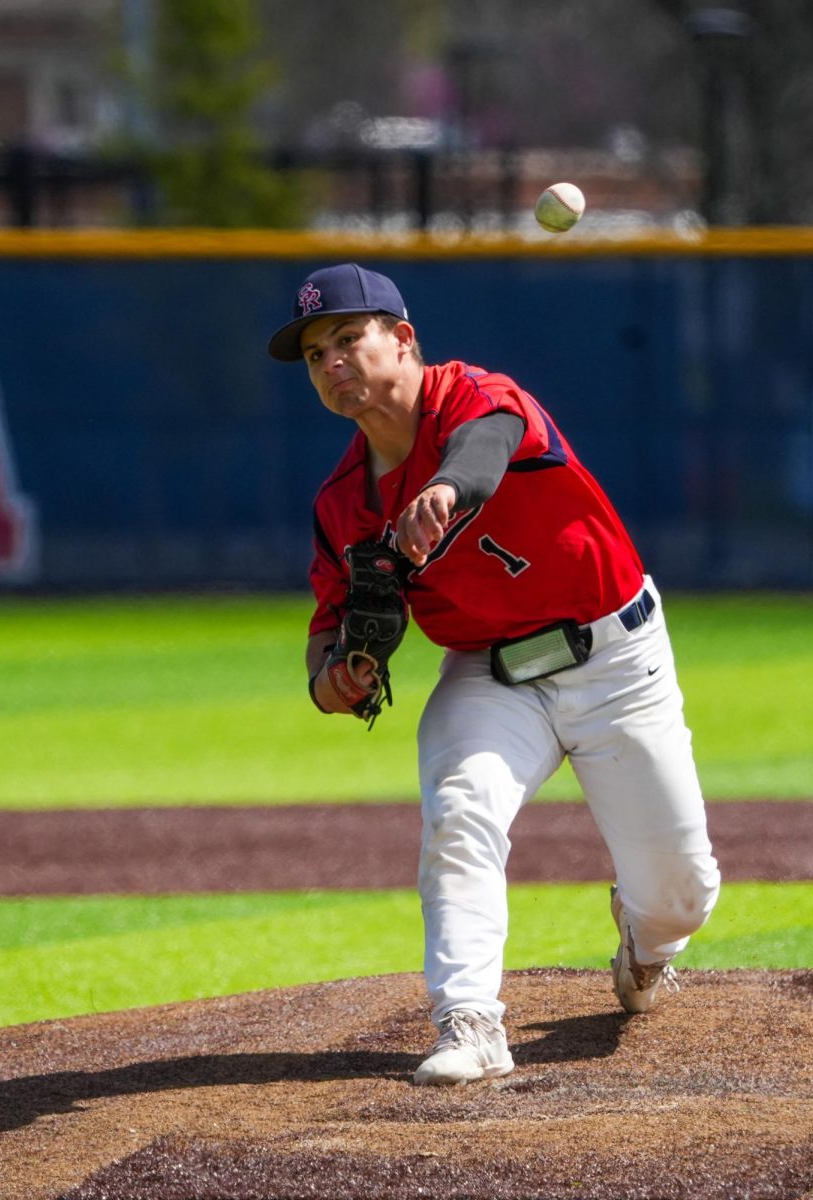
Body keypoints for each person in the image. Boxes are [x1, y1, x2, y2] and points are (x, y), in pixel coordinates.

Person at [267, 262, 721, 1087]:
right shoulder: (342, 504)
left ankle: (644, 934)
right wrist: (333, 679)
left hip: (614, 655)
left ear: (402, 339)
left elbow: (486, 449)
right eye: (312, 356)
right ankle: (469, 1020)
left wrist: (443, 490)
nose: (330, 364)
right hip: (487, 673)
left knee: (681, 894)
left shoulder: (472, 396)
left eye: (346, 339)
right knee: (460, 809)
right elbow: (326, 630)